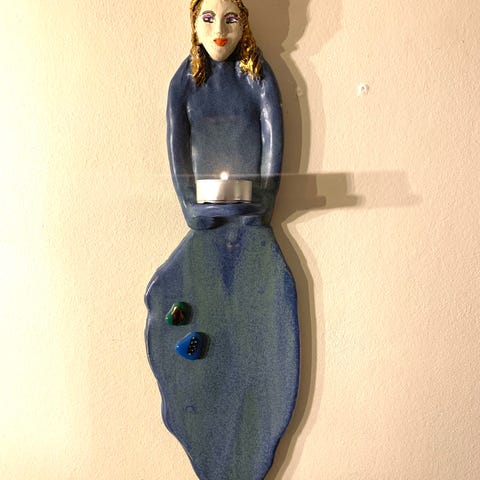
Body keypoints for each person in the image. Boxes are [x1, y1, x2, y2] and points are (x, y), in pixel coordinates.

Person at [167, 0, 284, 229]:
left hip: (251, 205)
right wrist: (188, 202)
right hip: (204, 207)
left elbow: (274, 139)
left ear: (243, 24)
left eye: (230, 20)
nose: (219, 31)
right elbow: (177, 147)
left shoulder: (257, 76)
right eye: (208, 19)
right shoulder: (184, 82)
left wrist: (266, 198)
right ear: (195, 24)